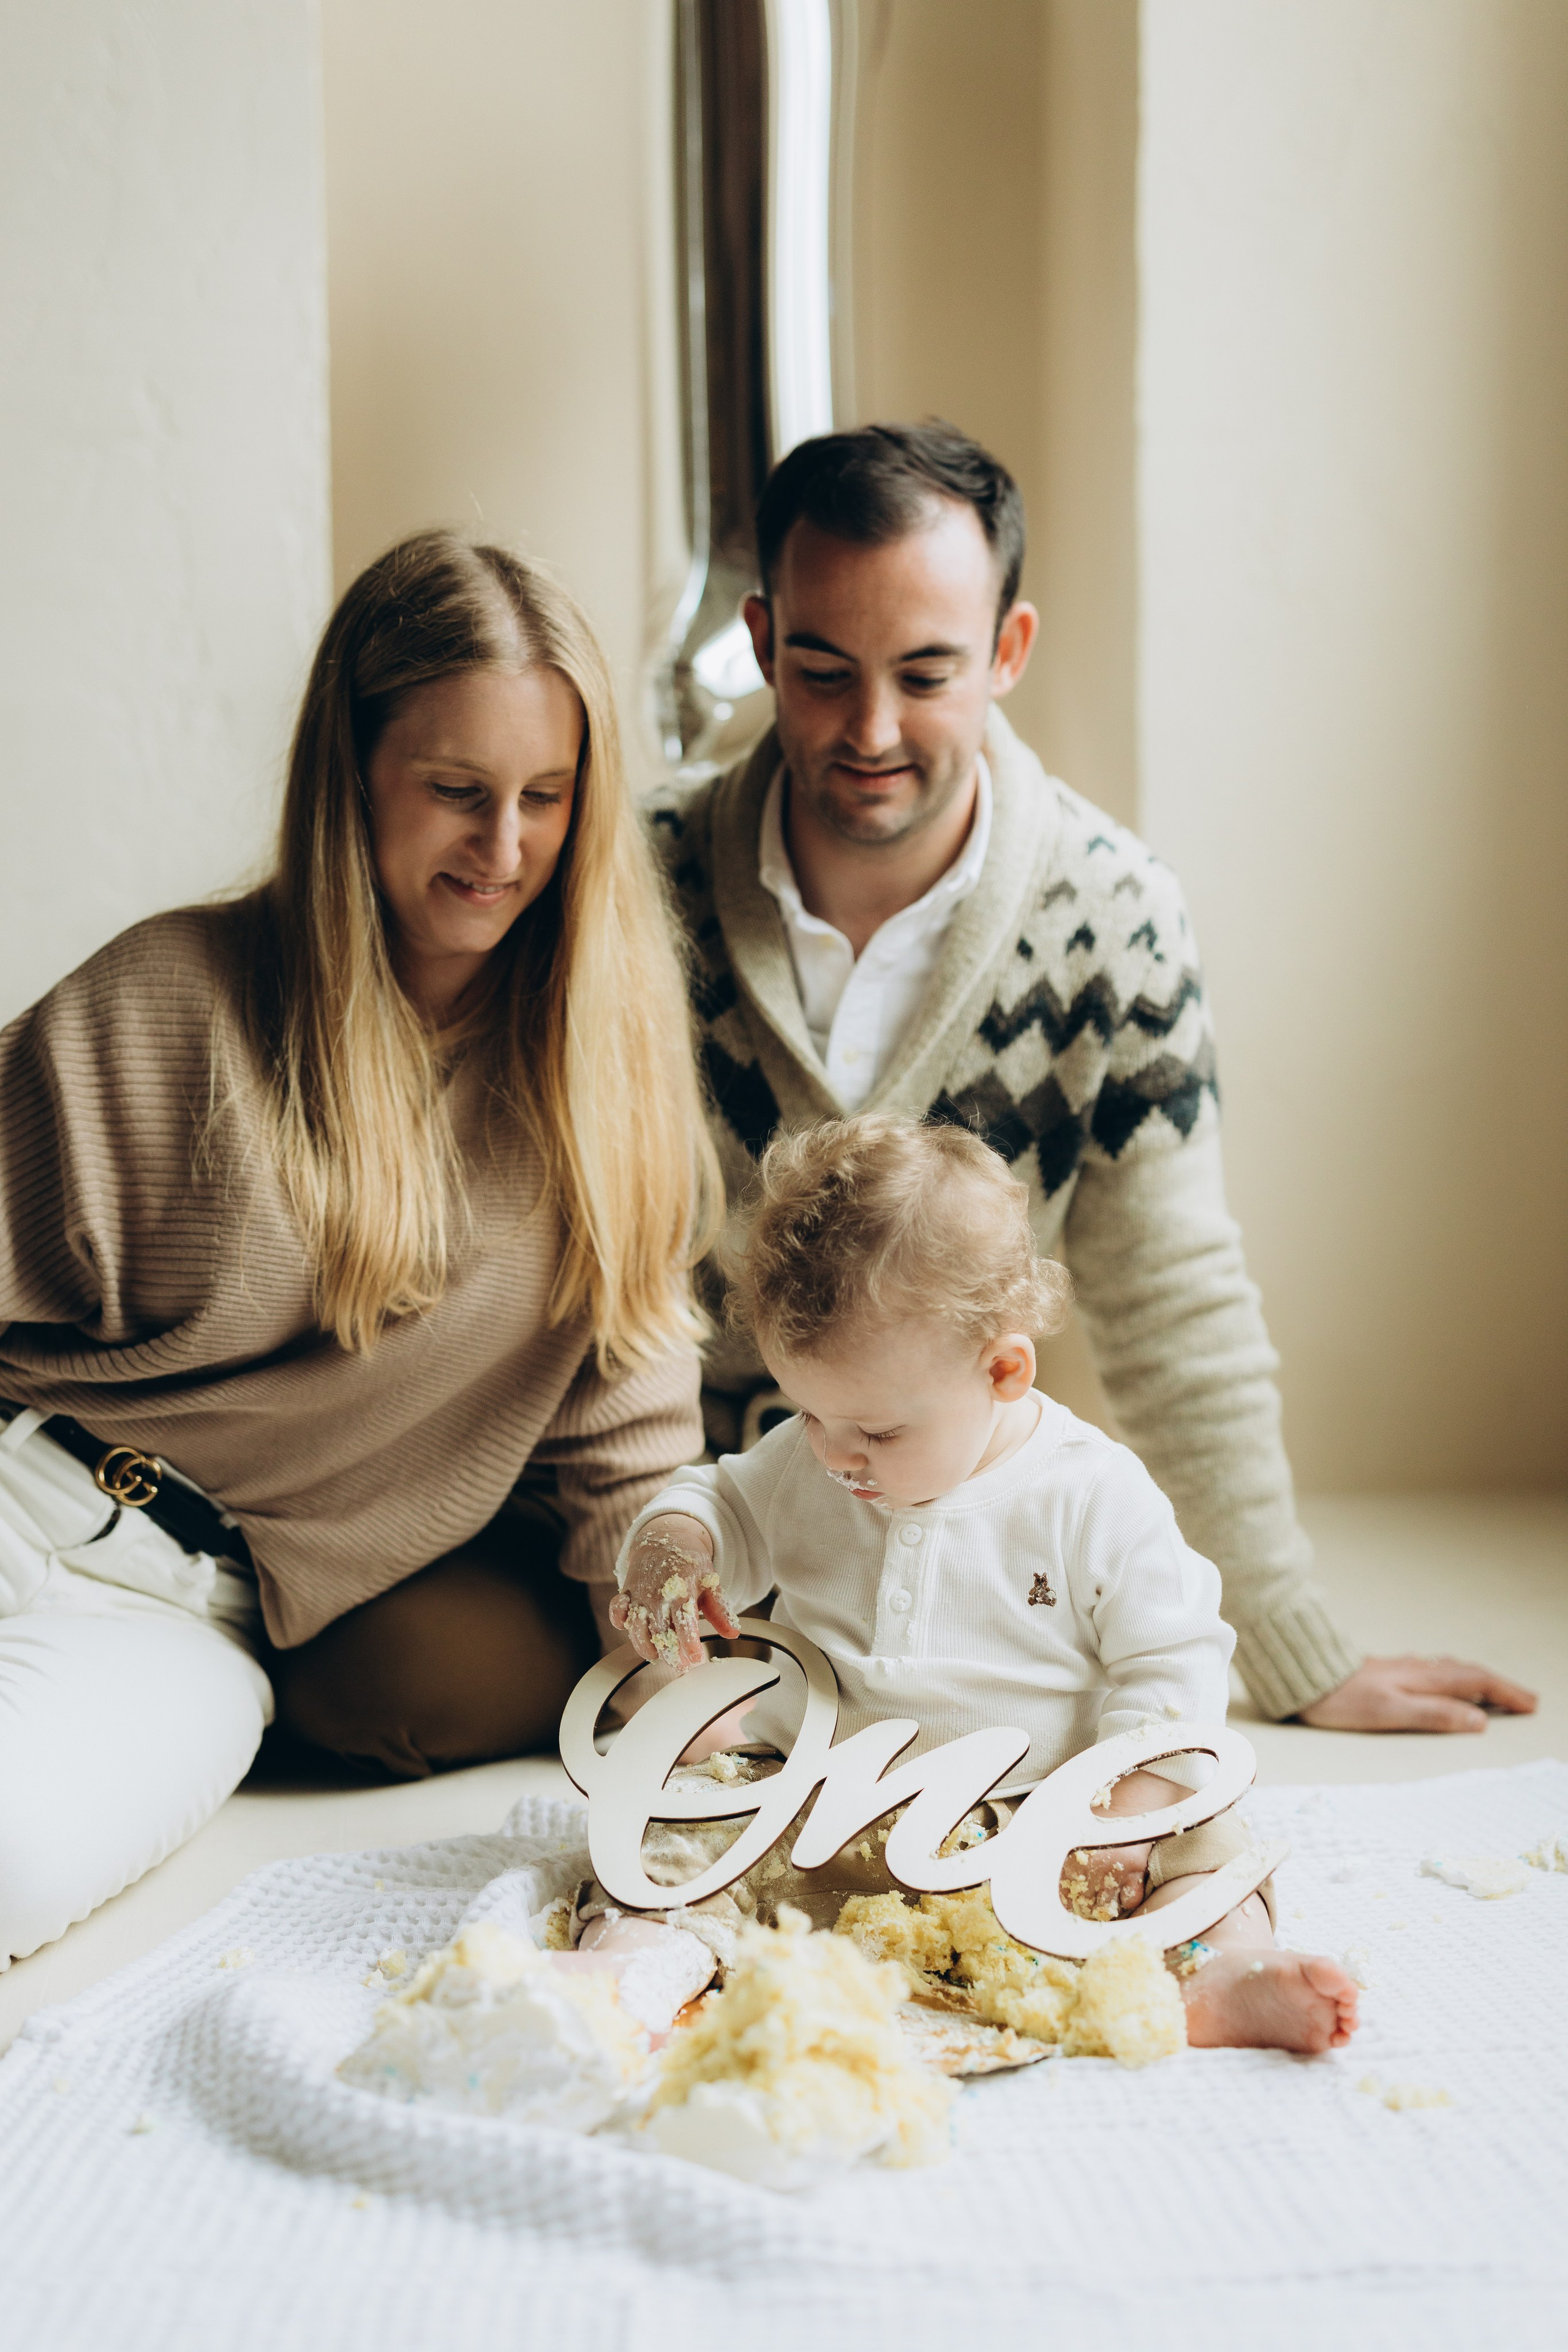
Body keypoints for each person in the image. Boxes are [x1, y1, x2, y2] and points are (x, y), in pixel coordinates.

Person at [649, 422, 1534, 1737]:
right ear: (764, 638)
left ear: (1007, 653)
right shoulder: (642, 881)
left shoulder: (1112, 915)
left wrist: (1290, 1646)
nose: (871, 728)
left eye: (927, 673)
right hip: (682, 1543)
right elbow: (573, 1268)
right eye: (823, 670)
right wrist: (651, 1542)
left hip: (964, 1569)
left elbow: (1171, 1297)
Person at [0, 530, 718, 1967]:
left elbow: (628, 1463)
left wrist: (685, 1701)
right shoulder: (168, 1002)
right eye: (456, 791)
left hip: (191, 1620)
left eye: (545, 798)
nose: (503, 848)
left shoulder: (610, 1094)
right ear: (353, 774)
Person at [599, 1114, 1360, 2055]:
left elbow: (1173, 1657)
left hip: (1045, 1827)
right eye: (809, 1413)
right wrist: (676, 1539)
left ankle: (1219, 1968)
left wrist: (1131, 1803)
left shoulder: (1091, 1493)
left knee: (1213, 1838)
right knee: (673, 1821)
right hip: (822, 1812)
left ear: (1003, 1370)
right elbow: (722, 1500)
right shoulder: (815, 1455)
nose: (835, 1455)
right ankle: (638, 1964)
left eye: (877, 1433)